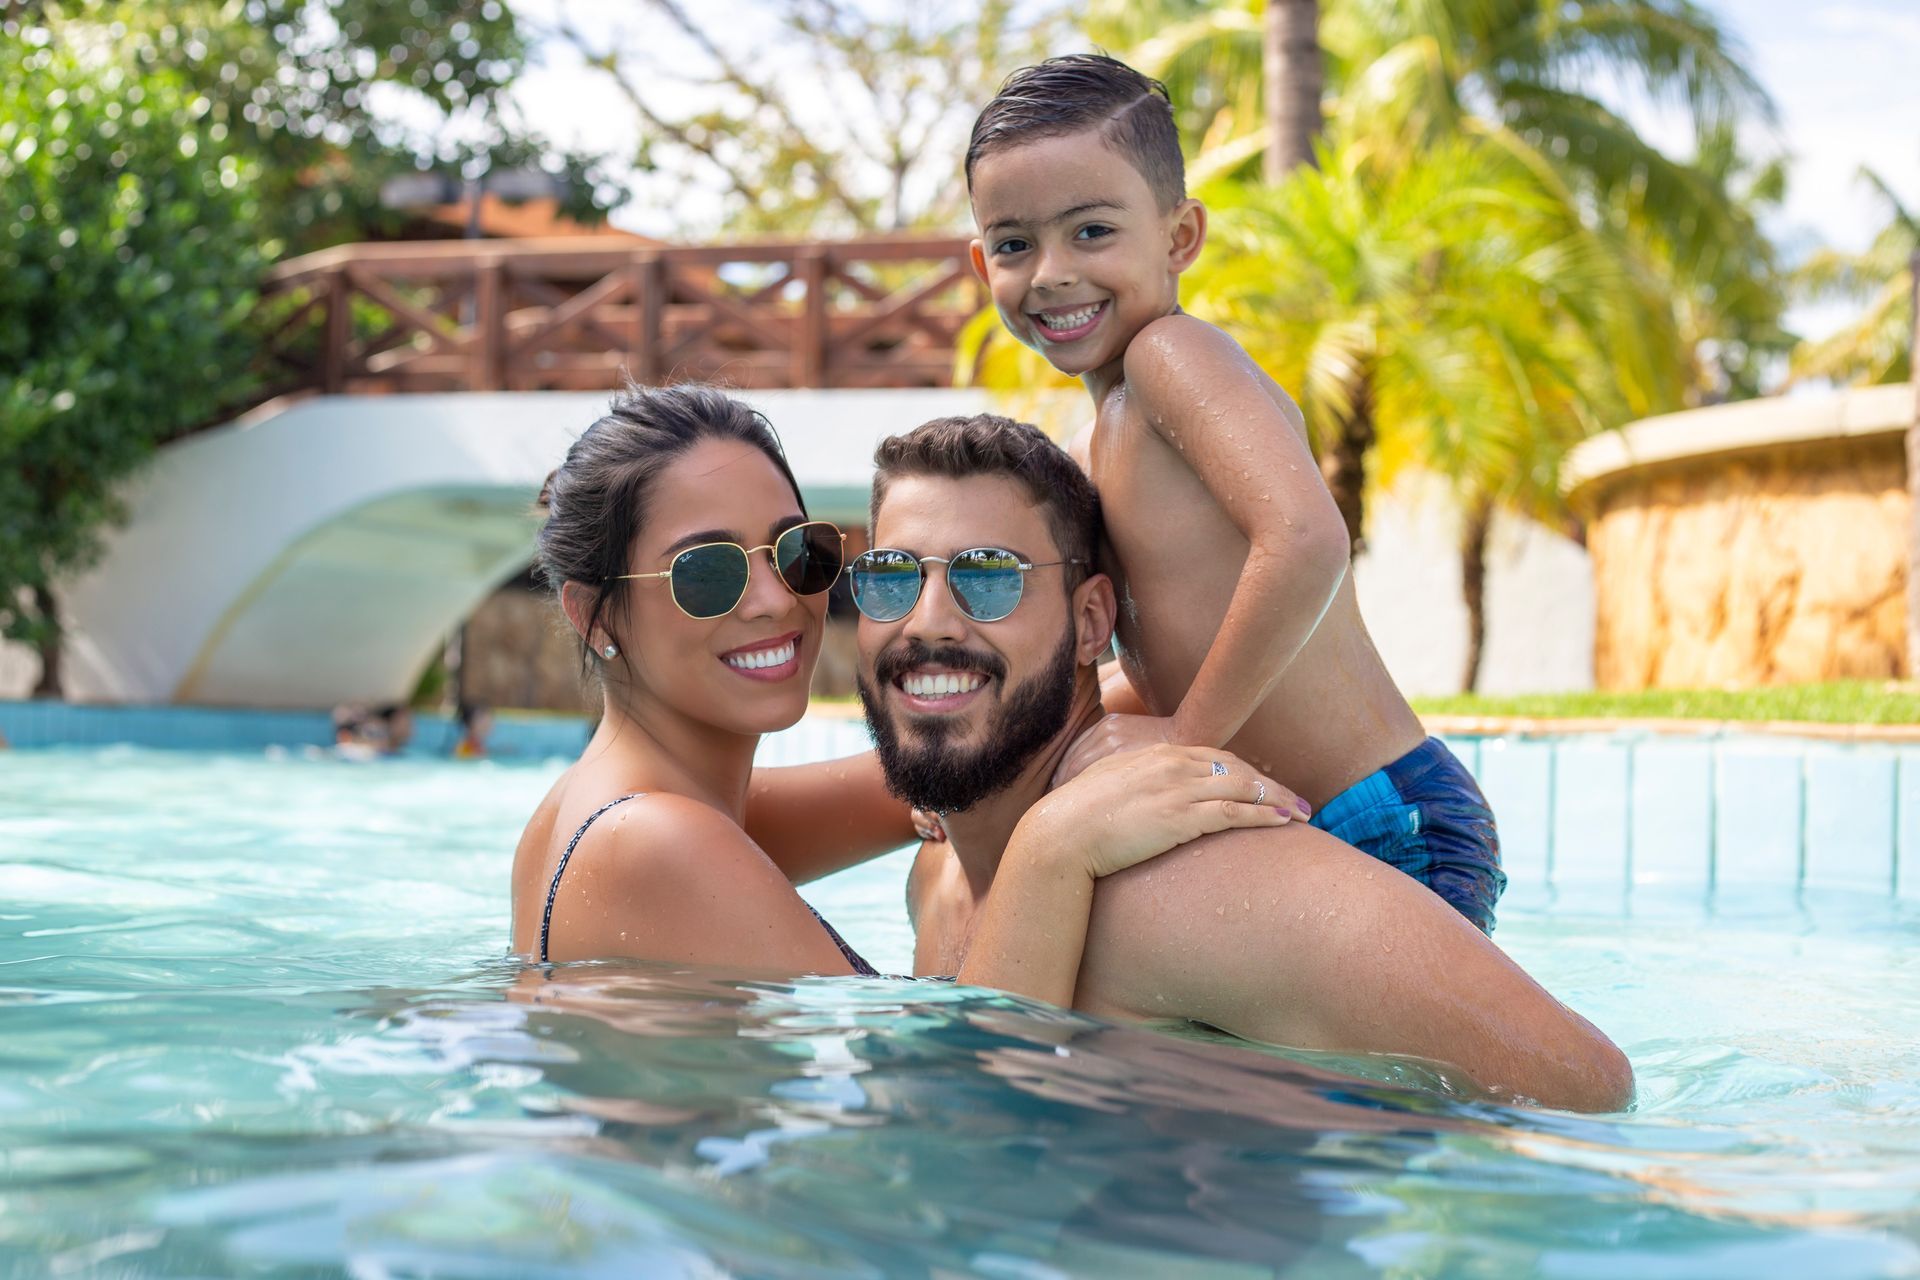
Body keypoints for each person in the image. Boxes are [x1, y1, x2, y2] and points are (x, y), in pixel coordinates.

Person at [851, 414, 1631, 1112]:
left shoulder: (1180, 886)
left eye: (988, 576)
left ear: (1091, 622)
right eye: (889, 577)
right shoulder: (940, 876)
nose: (928, 622)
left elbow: (1585, 1080)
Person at [508, 383, 1295, 995]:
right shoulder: (652, 842)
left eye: (796, 552)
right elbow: (954, 1118)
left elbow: (994, 727)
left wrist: (1155, 700)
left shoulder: (623, 807)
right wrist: (1054, 850)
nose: (775, 600)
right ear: (592, 614)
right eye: (707, 573)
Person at [963, 55, 1506, 934]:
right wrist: (1006, 769)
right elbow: (1159, 660)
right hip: (1317, 823)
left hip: (1385, 817)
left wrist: (1184, 740)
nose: (1052, 272)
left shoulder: (1171, 358)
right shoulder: (1095, 446)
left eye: (1092, 231)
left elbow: (1306, 541)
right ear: (981, 261)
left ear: (1180, 237)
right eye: (1016, 245)